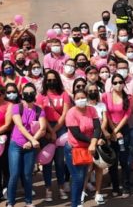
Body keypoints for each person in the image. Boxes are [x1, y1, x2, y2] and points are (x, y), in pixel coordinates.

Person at [38, 70, 71, 202]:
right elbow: (41, 114)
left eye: (54, 79)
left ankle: (61, 187)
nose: (51, 82)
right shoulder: (41, 96)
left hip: (60, 128)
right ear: (45, 81)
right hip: (45, 128)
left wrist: (55, 130)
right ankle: (48, 189)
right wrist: (50, 131)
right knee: (47, 162)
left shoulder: (64, 95)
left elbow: (64, 114)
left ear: (58, 80)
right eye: (49, 80)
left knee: (59, 162)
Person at [65, 89, 102, 207]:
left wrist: (93, 142)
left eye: (83, 97)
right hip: (74, 149)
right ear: (74, 100)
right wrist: (93, 142)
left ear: (86, 98)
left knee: (83, 175)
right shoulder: (71, 113)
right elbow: (77, 134)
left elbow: (97, 127)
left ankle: (76, 203)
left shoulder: (92, 109)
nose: (81, 100)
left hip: (87, 149)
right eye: (78, 98)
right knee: (78, 178)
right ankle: (75, 204)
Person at [104, 74, 133, 198]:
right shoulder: (106, 96)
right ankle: (115, 187)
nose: (118, 84)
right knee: (113, 161)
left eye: (120, 82)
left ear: (124, 83)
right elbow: (106, 114)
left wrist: (116, 130)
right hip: (110, 130)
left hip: (123, 130)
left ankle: (126, 186)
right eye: (115, 82)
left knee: (124, 160)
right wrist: (113, 131)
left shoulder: (129, 97)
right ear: (112, 84)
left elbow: (127, 115)